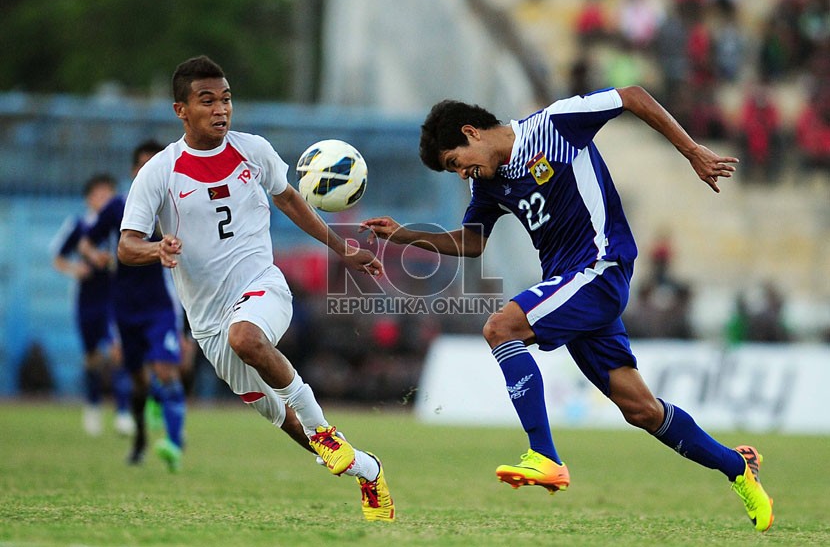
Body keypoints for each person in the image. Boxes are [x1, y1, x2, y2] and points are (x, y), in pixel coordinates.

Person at [361, 85, 773, 532]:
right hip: (573, 287)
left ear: (470, 132)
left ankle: (545, 456)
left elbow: (632, 96)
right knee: (641, 410)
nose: (461, 174)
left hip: (601, 267)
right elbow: (472, 243)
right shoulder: (489, 183)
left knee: (501, 328)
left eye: (455, 163)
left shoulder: (555, 125)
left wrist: (691, 150)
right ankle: (737, 466)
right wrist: (403, 235)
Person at [116, 55, 394, 521]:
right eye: (207, 101)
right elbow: (126, 245)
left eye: (226, 99)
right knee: (282, 419)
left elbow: (291, 201)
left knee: (246, 337)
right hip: (207, 322)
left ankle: (324, 430)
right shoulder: (159, 173)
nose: (221, 109)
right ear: (181, 110)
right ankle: (368, 470)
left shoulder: (254, 150)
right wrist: (155, 249)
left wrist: (343, 249)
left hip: (262, 286)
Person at [80, 141, 187, 472]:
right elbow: (86, 240)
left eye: (154, 164)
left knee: (166, 370)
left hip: (160, 304)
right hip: (124, 306)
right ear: (133, 171)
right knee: (139, 380)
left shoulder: (174, 205)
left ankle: (174, 443)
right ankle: (141, 437)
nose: (147, 171)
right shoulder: (117, 207)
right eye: (142, 165)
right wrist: (93, 255)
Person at [52, 173, 133, 437]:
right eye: (98, 194)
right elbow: (59, 259)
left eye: (108, 194)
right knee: (92, 358)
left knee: (118, 351)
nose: (103, 199)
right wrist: (77, 269)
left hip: (114, 297)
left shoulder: (121, 224)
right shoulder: (78, 225)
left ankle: (122, 412)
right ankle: (93, 405)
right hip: (87, 299)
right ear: (88, 198)